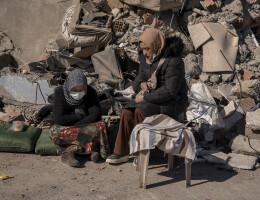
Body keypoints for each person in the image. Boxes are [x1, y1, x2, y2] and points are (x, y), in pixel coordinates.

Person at [106, 28, 188, 164]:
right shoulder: (146, 60)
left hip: (172, 102)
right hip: (152, 100)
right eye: (143, 49)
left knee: (139, 111)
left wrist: (145, 97)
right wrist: (142, 85)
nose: (145, 53)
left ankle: (142, 152)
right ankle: (121, 152)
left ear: (157, 45)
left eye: (148, 49)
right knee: (127, 112)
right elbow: (137, 80)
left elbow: (170, 90)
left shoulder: (173, 61)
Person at [50, 69, 110, 167]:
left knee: (101, 125)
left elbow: (95, 115)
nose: (78, 93)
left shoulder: (90, 92)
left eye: (81, 90)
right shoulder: (60, 92)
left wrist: (76, 127)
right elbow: (59, 119)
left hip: (81, 126)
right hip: (65, 127)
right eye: (75, 90)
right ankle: (88, 151)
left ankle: (75, 152)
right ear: (69, 86)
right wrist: (79, 117)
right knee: (55, 131)